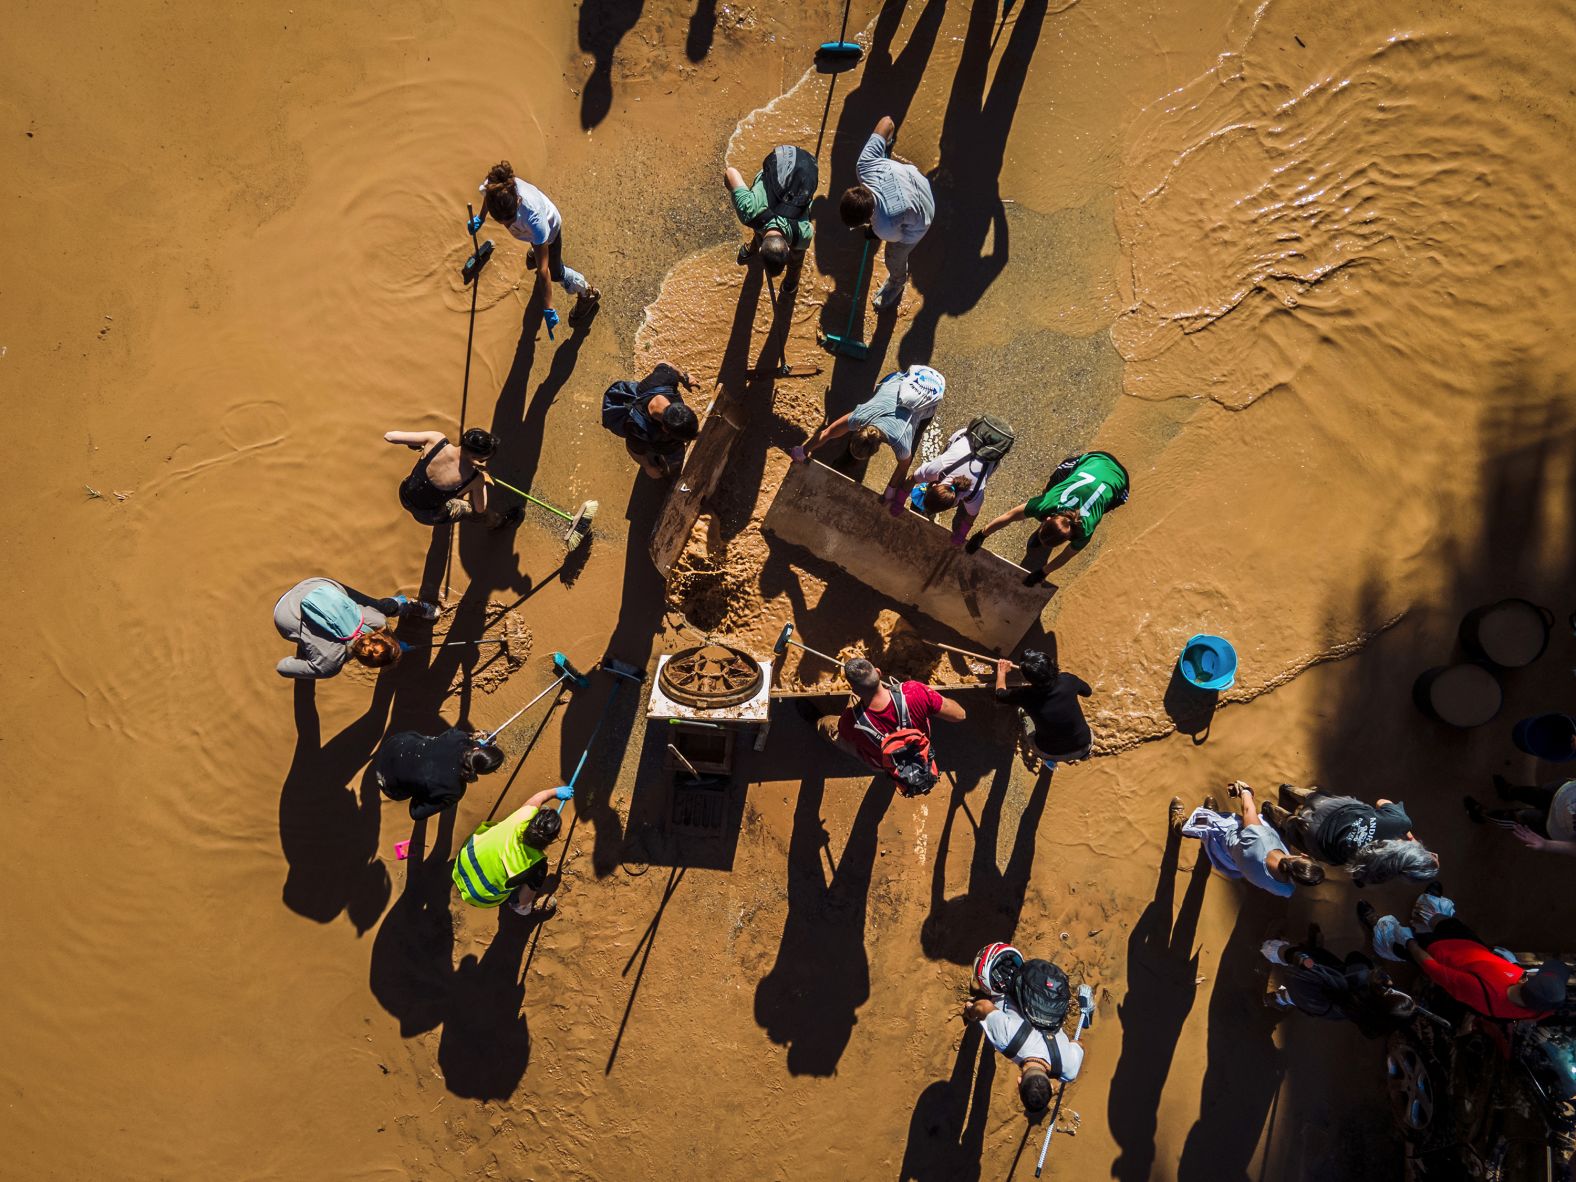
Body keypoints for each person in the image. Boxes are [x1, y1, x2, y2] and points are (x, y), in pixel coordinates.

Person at [1361, 893, 1571, 1020]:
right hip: (1471, 949)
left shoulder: (1481, 992)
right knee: (1443, 921)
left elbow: (1432, 967)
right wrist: (1511, 963)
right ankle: (1425, 910)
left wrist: (1409, 941)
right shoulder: (1538, 1007)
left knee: (1402, 942)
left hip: (1438, 954)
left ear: (1527, 982)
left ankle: (1379, 925)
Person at [790, 365, 946, 508]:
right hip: (900, 380)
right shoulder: (859, 416)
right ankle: (846, 462)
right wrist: (803, 450)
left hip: (929, 395)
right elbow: (827, 433)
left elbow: (903, 466)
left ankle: (847, 462)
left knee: (913, 441)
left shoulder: (901, 441)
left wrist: (890, 492)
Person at [966, 451, 1131, 586]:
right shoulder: (1047, 502)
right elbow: (1011, 516)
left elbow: (1066, 555)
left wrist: (1043, 572)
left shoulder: (1085, 530)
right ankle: (1045, 533)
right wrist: (982, 534)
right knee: (1048, 488)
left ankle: (1047, 534)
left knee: (1104, 505)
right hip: (1095, 464)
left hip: (1116, 478)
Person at [478, 161, 600, 332]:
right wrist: (481, 218)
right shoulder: (495, 189)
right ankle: (536, 251)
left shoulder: (535, 222)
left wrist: (548, 307)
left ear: (518, 202)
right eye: (502, 223)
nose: (508, 226)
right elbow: (487, 197)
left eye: (510, 221)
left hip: (550, 231)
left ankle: (588, 292)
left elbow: (544, 272)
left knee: (555, 272)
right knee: (536, 250)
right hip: (531, 233)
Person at [817, 657, 964, 795]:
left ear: (853, 690)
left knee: (831, 727)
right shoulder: (914, 691)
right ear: (879, 672)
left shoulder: (850, 720)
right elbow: (960, 715)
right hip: (916, 753)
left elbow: (845, 735)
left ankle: (817, 721)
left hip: (881, 762)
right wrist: (930, 697)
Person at [963, 952, 1082, 1115]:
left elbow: (1078, 1044)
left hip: (1047, 988)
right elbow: (983, 1006)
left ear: (1052, 1086)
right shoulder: (1007, 1041)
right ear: (1019, 1082)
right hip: (1010, 984)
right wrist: (970, 1012)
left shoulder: (1069, 1070)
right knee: (985, 982)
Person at [839, 115, 934, 311]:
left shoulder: (884, 226)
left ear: (868, 219)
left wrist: (874, 231)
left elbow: (897, 237)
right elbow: (887, 121)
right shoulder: (864, 165)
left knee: (893, 254)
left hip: (923, 216)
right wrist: (886, 144)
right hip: (916, 180)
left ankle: (897, 282)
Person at [1260, 784, 1440, 886]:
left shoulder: (1401, 822)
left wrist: (1407, 833)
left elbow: (1381, 802)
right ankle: (1271, 810)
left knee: (1313, 797)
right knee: (1293, 826)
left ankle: (1288, 789)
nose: (1435, 854)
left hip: (1333, 808)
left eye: (1431, 855)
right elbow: (1357, 875)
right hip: (1319, 840)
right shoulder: (1378, 874)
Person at [1171, 781, 1325, 897]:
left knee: (1208, 824)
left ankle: (1180, 826)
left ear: (1304, 856)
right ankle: (1209, 817)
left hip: (1227, 838)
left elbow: (1247, 810)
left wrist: (1245, 790)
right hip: (1233, 861)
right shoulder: (1286, 890)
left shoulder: (1261, 839)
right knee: (1221, 829)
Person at [1259, 931, 1417, 1038]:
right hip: (1316, 1004)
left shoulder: (1361, 978)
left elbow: (1353, 958)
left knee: (1288, 955)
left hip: (1307, 977)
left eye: (1391, 992)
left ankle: (1268, 948)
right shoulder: (1364, 1015)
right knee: (1293, 997)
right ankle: (1277, 999)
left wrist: (1296, 956)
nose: (1391, 986)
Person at [273, 577, 434, 679]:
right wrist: (314, 666)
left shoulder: (377, 621)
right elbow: (282, 667)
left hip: (316, 585)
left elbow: (383, 630)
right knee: (379, 609)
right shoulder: (329, 665)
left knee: (381, 608)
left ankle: (401, 604)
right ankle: (405, 604)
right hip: (283, 611)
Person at [452, 787, 571, 917]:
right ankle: (518, 908)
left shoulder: (522, 817)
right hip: (479, 897)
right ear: (550, 841)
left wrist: (555, 792)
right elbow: (524, 899)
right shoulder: (538, 865)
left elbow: (538, 798)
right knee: (523, 902)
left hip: (461, 865)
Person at [903, 416, 1015, 545]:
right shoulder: (937, 468)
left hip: (988, 451)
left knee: (963, 514)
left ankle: (957, 524)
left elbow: (971, 516)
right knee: (966, 511)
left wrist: (961, 533)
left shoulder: (975, 493)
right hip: (964, 440)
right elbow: (912, 479)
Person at [385, 427, 520, 528]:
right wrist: (483, 480)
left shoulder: (435, 439)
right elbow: (480, 508)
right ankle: (498, 521)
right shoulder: (475, 478)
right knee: (471, 510)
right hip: (428, 514)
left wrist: (418, 444)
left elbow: (390, 436)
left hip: (405, 495)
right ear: (478, 458)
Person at [374, 727, 506, 820]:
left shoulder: (457, 736)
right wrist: (425, 791)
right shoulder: (454, 791)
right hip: (387, 782)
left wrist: (475, 740)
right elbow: (415, 813)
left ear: (477, 749)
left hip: (394, 745)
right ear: (481, 773)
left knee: (433, 741)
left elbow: (464, 741)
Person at [726, 144, 816, 277]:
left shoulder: (802, 234)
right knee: (758, 221)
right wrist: (741, 200)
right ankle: (791, 283)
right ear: (787, 246)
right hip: (796, 168)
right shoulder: (748, 210)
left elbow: (730, 172)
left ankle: (791, 279)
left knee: (760, 224)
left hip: (796, 165)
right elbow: (730, 173)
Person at [993, 650, 1093, 769]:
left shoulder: (1025, 695)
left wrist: (1002, 672)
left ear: (1027, 678)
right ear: (1052, 665)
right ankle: (1084, 755)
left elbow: (999, 694)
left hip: (1049, 751)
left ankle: (1049, 761)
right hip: (1085, 744)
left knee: (1023, 712)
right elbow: (1088, 692)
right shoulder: (1068, 680)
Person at [601, 361, 700, 479]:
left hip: (651, 418)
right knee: (672, 462)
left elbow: (663, 363)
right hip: (655, 441)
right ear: (665, 429)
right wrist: (648, 467)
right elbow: (633, 450)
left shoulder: (664, 380)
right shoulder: (638, 430)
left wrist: (684, 378)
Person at [1463, 775, 1576, 857]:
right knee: (1534, 793)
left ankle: (1481, 813)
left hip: (1556, 824)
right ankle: (1508, 791)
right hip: (1566, 791)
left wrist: (1546, 845)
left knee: (1518, 818)